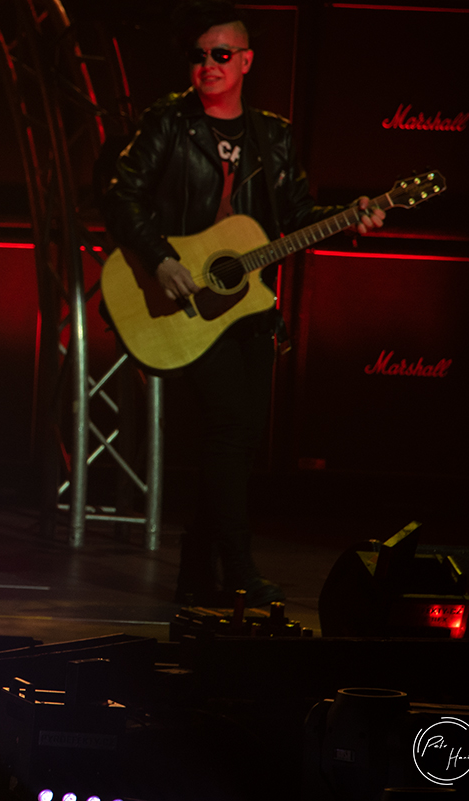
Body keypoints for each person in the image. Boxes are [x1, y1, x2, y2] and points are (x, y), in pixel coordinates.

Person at [103, 0, 384, 607]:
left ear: (246, 61)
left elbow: (296, 217)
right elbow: (121, 196)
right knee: (230, 430)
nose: (208, 64)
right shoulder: (168, 123)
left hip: (248, 309)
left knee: (237, 442)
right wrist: (161, 259)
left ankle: (195, 570)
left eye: (222, 54)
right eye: (199, 55)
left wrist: (350, 217)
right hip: (179, 297)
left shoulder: (271, 135)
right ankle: (238, 565)